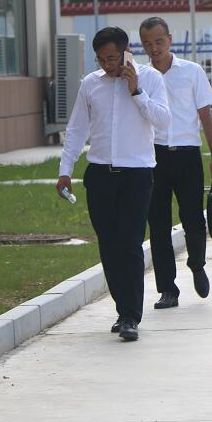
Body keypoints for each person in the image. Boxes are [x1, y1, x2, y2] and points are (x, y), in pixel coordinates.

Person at [56, 27, 170, 342]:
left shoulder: (150, 78)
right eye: (102, 59)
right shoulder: (91, 84)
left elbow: (163, 120)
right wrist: (65, 171)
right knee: (109, 245)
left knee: (130, 243)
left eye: (112, 58)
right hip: (100, 174)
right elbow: (77, 129)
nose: (107, 65)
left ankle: (131, 316)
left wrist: (137, 91)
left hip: (137, 174)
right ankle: (123, 309)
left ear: (126, 52)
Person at [139, 17, 212, 309]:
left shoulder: (191, 71)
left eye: (159, 41)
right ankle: (167, 289)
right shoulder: (142, 77)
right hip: (154, 157)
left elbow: (206, 118)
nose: (154, 48)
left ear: (170, 40)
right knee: (158, 224)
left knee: (193, 218)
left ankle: (197, 264)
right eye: (148, 43)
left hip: (187, 154)